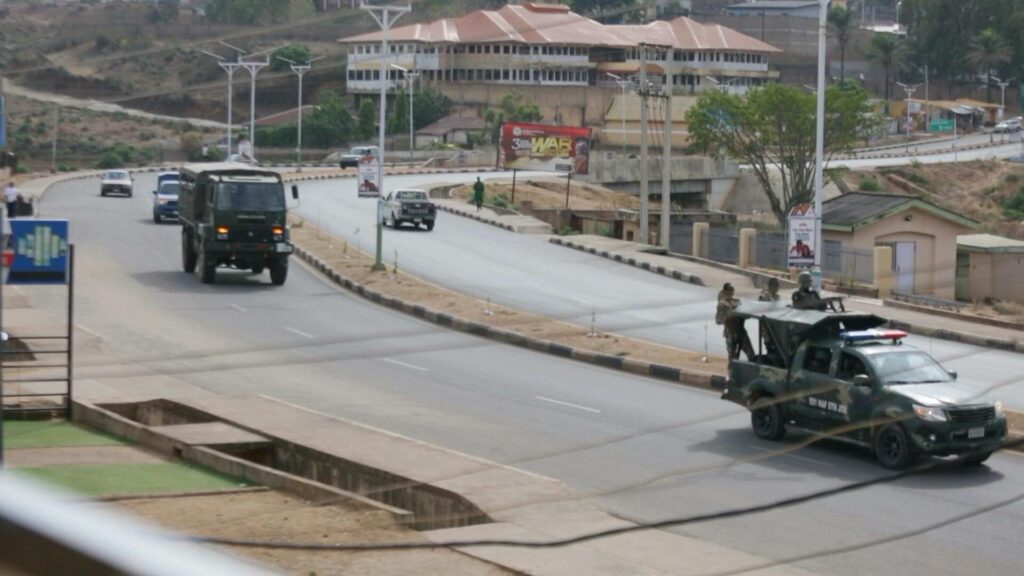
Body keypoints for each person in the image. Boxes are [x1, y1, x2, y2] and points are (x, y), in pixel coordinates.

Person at [716, 283, 755, 361]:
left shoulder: (737, 302)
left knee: (751, 354)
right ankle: (732, 371)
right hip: (730, 332)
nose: (730, 293)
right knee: (732, 358)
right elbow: (718, 320)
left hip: (741, 331)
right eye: (728, 291)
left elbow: (745, 314)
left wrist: (746, 314)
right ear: (724, 292)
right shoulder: (722, 305)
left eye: (731, 291)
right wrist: (729, 316)